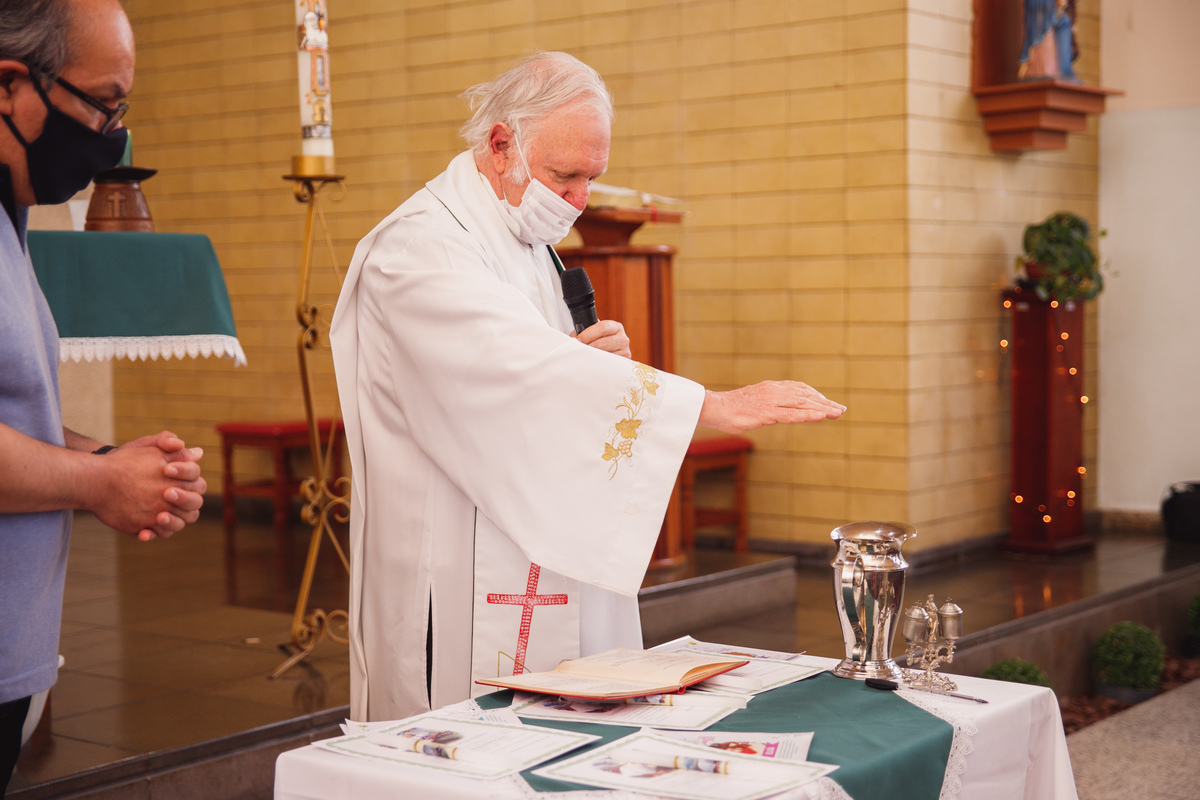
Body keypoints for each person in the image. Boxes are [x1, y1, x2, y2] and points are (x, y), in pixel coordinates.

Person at [330, 51, 845, 722]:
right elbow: (517, 373)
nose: (579, 201)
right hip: (452, 570)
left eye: (592, 178)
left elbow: (550, 369)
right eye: (565, 176)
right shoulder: (419, 249)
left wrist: (596, 364)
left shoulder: (520, 238)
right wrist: (711, 406)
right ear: (499, 144)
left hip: (532, 545)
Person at [0, 0, 206, 793]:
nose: (114, 134)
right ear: (12, 84)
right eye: (102, 103)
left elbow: (15, 408)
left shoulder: (10, 207)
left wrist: (112, 459)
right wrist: (96, 483)